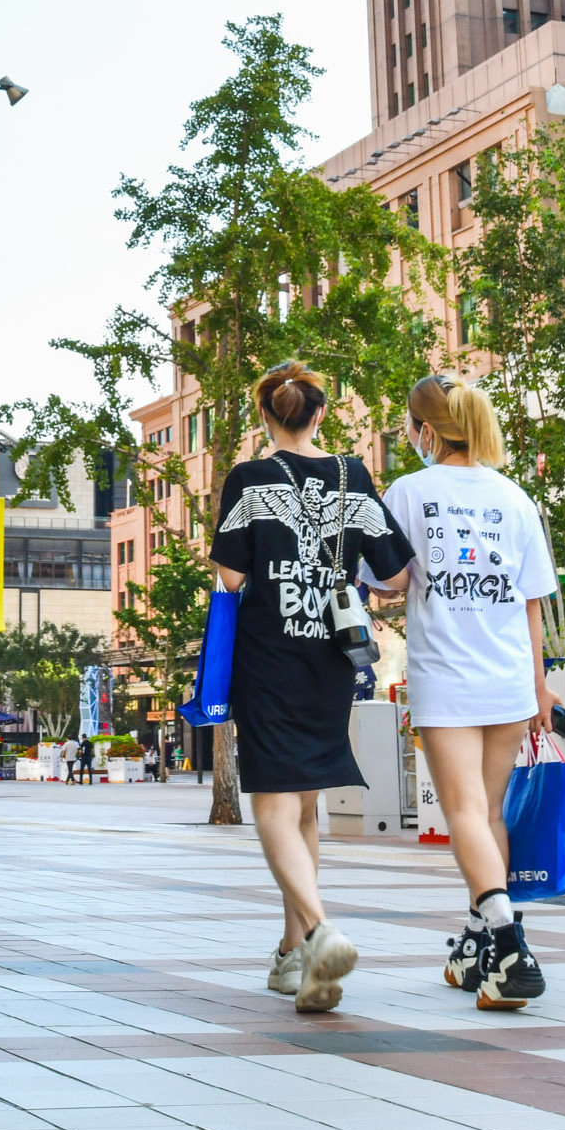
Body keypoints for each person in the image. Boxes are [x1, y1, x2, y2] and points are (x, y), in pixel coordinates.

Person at [209, 359, 411, 1015]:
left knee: (273, 805)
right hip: (331, 659)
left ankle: (321, 931)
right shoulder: (354, 475)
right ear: (321, 412)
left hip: (268, 657)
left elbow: (230, 578)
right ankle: (293, 953)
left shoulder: (249, 478)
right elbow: (395, 577)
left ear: (266, 415)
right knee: (304, 808)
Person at [377, 374, 558, 1010]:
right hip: (508, 677)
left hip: (447, 676)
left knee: (462, 810)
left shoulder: (408, 492)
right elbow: (533, 602)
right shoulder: (515, 497)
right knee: (488, 813)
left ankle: (510, 947)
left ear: (425, 430)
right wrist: (540, 687)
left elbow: (391, 581)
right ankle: (477, 944)